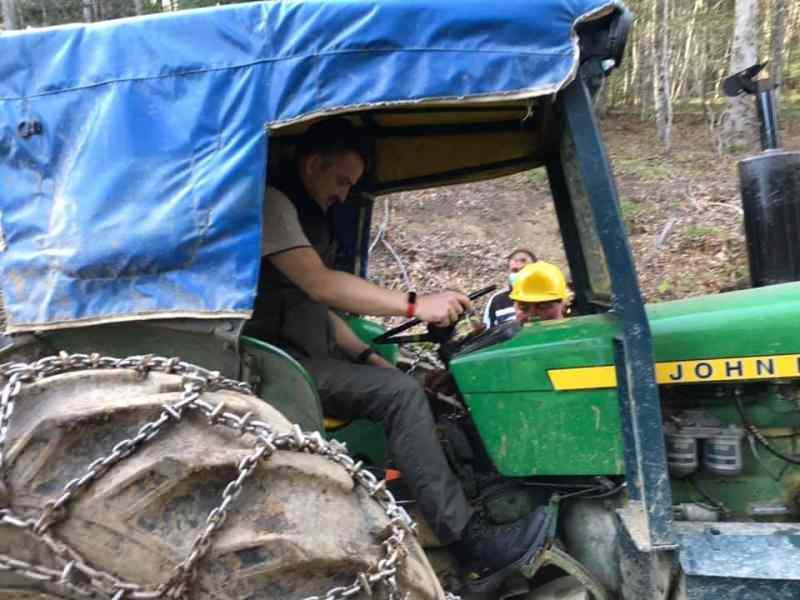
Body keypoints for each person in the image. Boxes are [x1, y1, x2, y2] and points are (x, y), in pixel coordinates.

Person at [249, 118, 547, 579]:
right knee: (401, 396)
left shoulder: (306, 214)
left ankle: (469, 498)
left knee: (412, 384)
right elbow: (323, 286)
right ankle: (470, 541)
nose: (344, 195)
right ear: (311, 164)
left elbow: (323, 313)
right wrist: (417, 304)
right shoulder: (272, 203)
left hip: (307, 355)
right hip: (274, 366)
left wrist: (369, 356)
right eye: (341, 181)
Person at [482, 248, 537, 328]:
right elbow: (489, 335)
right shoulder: (497, 301)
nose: (519, 274)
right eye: (515, 271)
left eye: (524, 270)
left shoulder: (548, 296)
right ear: (508, 272)